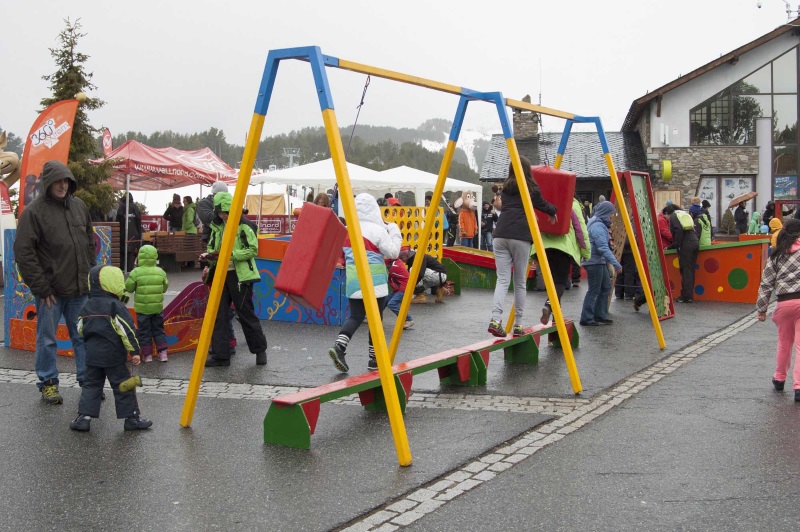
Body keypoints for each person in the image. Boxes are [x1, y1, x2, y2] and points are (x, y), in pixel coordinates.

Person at [14, 160, 96, 405]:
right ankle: (48, 384)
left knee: (83, 337)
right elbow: (24, 252)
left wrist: (90, 273)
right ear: (48, 182)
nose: (62, 185)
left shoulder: (79, 206)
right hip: (50, 291)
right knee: (47, 339)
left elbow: (89, 242)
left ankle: (88, 382)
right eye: (58, 181)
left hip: (80, 289)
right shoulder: (34, 212)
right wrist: (41, 287)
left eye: (66, 181)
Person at [69, 265, 152, 432]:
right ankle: (131, 418)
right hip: (114, 356)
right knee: (124, 385)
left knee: (91, 386)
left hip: (92, 356)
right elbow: (127, 331)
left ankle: (83, 418)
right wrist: (135, 351)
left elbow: (79, 327)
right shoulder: (116, 306)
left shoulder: (87, 306)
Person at [328, 193, 401, 372]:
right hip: (375, 281)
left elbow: (342, 256)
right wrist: (395, 232)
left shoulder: (348, 229)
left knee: (355, 316)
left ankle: (340, 346)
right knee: (376, 319)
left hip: (353, 279)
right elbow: (393, 253)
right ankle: (374, 359)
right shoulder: (378, 230)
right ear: (375, 210)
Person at [488, 155, 557, 337]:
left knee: (502, 280)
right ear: (528, 170)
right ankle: (518, 324)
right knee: (519, 282)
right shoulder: (531, 188)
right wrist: (553, 212)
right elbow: (542, 204)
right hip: (520, 235)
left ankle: (495, 319)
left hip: (500, 235)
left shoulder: (506, 188)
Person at [203, 192, 268, 367]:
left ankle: (260, 351)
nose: (222, 215)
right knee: (219, 314)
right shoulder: (217, 226)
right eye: (220, 212)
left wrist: (230, 255)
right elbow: (212, 245)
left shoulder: (244, 226)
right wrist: (210, 257)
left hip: (240, 275)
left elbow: (253, 249)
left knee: (245, 313)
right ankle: (221, 356)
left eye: (225, 212)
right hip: (221, 272)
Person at [756, 219, 800, 400]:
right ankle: (799, 387)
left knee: (784, 343)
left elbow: (766, 284)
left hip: (784, 303)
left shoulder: (776, 255)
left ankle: (779, 378)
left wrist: (761, 309)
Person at [534, 191, 585, 326]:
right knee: (560, 283)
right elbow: (580, 228)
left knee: (553, 281)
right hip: (563, 247)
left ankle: (556, 317)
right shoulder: (572, 204)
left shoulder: (542, 200)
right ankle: (549, 305)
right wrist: (585, 251)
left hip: (544, 246)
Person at [124, 244, 170, 363]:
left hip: (142, 310)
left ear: (140, 257)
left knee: (144, 332)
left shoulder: (136, 272)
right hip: (157, 308)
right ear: (155, 257)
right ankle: (163, 353)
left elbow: (129, 287)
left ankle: (147, 355)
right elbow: (165, 287)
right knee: (159, 330)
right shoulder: (160, 272)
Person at [579, 201, 622, 326]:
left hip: (599, 261)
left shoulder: (598, 224)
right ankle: (586, 318)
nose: (611, 217)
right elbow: (602, 247)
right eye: (610, 214)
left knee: (605, 287)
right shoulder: (597, 226)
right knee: (594, 290)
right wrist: (616, 264)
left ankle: (599, 315)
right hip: (594, 262)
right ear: (605, 213)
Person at [669, 206, 700, 303]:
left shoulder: (673, 216)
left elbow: (678, 230)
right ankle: (689, 295)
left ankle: (685, 296)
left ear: (667, 213)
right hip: (694, 241)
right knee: (690, 270)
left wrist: (675, 244)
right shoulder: (684, 214)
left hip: (686, 244)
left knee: (685, 270)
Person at [386, 250, 415, 330]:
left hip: (403, 288)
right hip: (399, 288)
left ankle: (408, 320)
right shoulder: (395, 262)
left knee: (392, 304)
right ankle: (373, 317)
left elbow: (385, 275)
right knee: (384, 301)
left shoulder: (394, 266)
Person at [115, 192, 142, 273]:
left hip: (122, 234)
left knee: (122, 252)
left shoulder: (121, 207)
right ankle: (130, 270)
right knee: (131, 253)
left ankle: (122, 270)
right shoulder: (135, 207)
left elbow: (117, 222)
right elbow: (139, 223)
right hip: (134, 235)